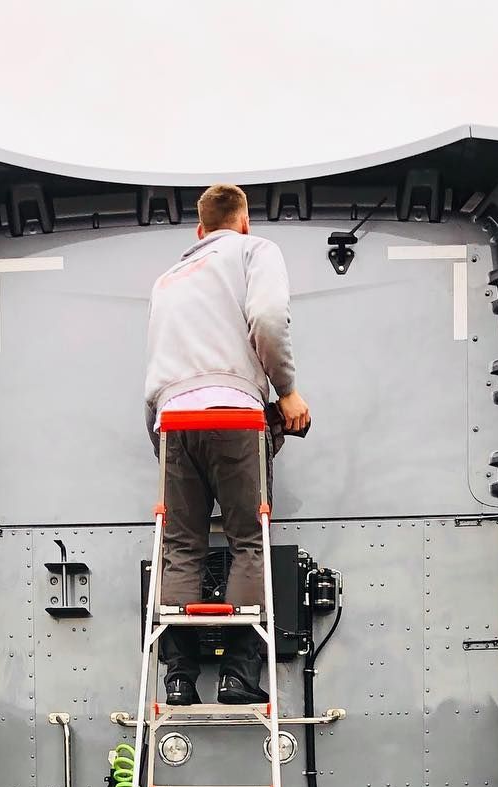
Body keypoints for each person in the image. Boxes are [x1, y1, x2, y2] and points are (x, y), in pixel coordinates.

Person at [144, 182, 311, 705]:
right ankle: (239, 674)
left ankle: (178, 677)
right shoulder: (253, 251)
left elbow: (153, 366)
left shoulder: (167, 278)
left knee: (180, 546)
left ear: (199, 230)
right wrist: (286, 392)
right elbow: (266, 317)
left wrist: (161, 437)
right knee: (247, 541)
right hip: (235, 415)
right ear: (244, 221)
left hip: (171, 419)